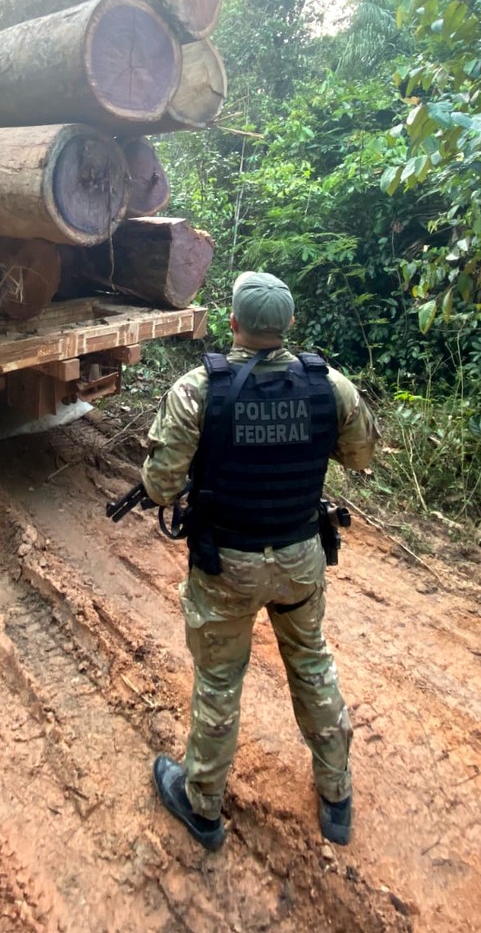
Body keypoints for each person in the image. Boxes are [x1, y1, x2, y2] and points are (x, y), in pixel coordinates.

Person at [141, 271, 377, 852]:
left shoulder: (199, 389)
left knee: (220, 681)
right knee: (312, 665)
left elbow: (161, 485)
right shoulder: (330, 387)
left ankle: (202, 807)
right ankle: (337, 797)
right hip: (299, 559)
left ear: (234, 325)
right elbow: (361, 454)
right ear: (289, 325)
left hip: (227, 565)